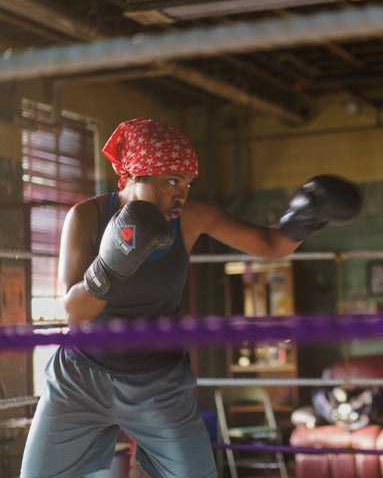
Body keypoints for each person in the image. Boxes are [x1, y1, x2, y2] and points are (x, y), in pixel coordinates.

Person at [21, 117, 361, 478]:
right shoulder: (87, 217)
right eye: (170, 182)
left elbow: (271, 244)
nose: (180, 194)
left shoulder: (191, 218)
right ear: (136, 175)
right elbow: (76, 312)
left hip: (157, 382)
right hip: (81, 378)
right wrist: (112, 263)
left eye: (187, 183)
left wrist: (304, 218)